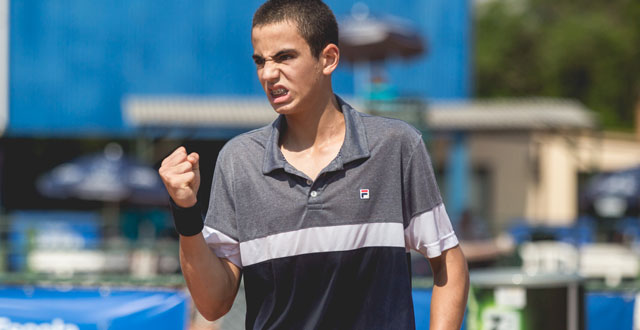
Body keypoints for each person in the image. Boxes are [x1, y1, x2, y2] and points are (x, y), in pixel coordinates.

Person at [159, 0, 469, 329]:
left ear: (328, 59)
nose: (268, 73)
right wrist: (185, 210)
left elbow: (449, 263)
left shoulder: (396, 146)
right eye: (260, 61)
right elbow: (213, 303)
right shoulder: (238, 161)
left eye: (284, 57)